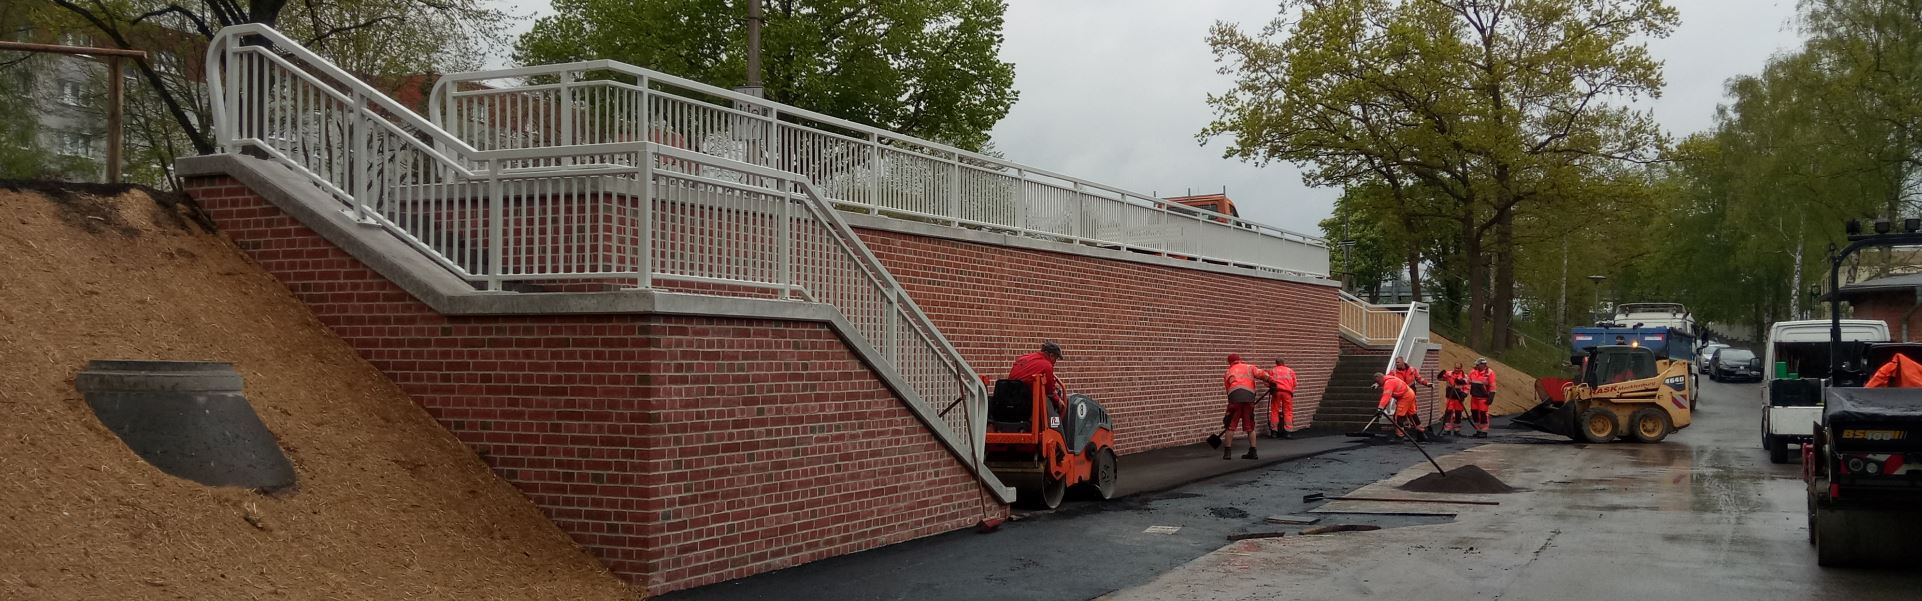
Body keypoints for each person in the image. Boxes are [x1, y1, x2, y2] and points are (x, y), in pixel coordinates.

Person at [1009, 341, 1067, 415]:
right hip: (1025, 402)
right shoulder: (1047, 365)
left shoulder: (1023, 358)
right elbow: (1050, 391)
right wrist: (1058, 400)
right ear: (1051, 355)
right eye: (1055, 359)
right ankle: (1055, 425)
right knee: (1048, 400)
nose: (1055, 362)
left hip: (1009, 398)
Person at [1222, 354, 1262, 460]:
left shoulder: (1228, 372)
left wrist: (1232, 403)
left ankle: (1227, 453)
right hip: (1249, 398)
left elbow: (1228, 389)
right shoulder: (1249, 367)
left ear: (1229, 362)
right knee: (1250, 426)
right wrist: (1271, 382)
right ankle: (1253, 451)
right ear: (1240, 360)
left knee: (1230, 425)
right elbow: (1262, 374)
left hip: (1234, 398)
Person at [1375, 371, 1422, 441]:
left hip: (1405, 397)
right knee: (1412, 414)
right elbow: (1387, 396)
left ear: (1381, 378)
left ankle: (1400, 436)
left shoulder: (1388, 383)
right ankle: (1421, 433)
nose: (1378, 383)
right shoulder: (1388, 378)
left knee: (1398, 416)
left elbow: (1386, 397)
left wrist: (1380, 408)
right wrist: (1378, 384)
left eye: (1378, 382)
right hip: (1410, 393)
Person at [1262, 358, 1299, 439]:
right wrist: (1289, 388)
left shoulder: (1272, 371)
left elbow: (1266, 382)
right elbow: (1295, 383)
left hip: (1276, 392)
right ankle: (1288, 432)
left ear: (1276, 363)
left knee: (1274, 410)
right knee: (1288, 411)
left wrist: (1270, 386)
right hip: (1287, 392)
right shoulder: (1290, 371)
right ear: (1283, 363)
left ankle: (1274, 432)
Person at [1466, 357, 1498, 438]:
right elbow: (1468, 381)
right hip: (1474, 397)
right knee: (1474, 413)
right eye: (1477, 365)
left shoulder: (1490, 373)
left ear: (1483, 365)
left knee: (1483, 414)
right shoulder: (1473, 372)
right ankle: (1478, 430)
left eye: (1478, 365)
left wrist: (1491, 396)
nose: (1477, 366)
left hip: (1483, 398)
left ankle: (1483, 431)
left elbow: (1492, 386)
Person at [1439, 363, 1469, 436]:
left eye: (1458, 368)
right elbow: (1440, 378)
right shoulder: (1449, 374)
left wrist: (1464, 394)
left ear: (1461, 368)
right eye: (1456, 368)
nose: (1457, 369)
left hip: (1459, 398)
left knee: (1458, 413)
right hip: (1450, 397)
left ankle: (1457, 430)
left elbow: (1467, 386)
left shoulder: (1464, 376)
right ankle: (1447, 429)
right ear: (1454, 368)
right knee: (1448, 412)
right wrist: (1440, 375)